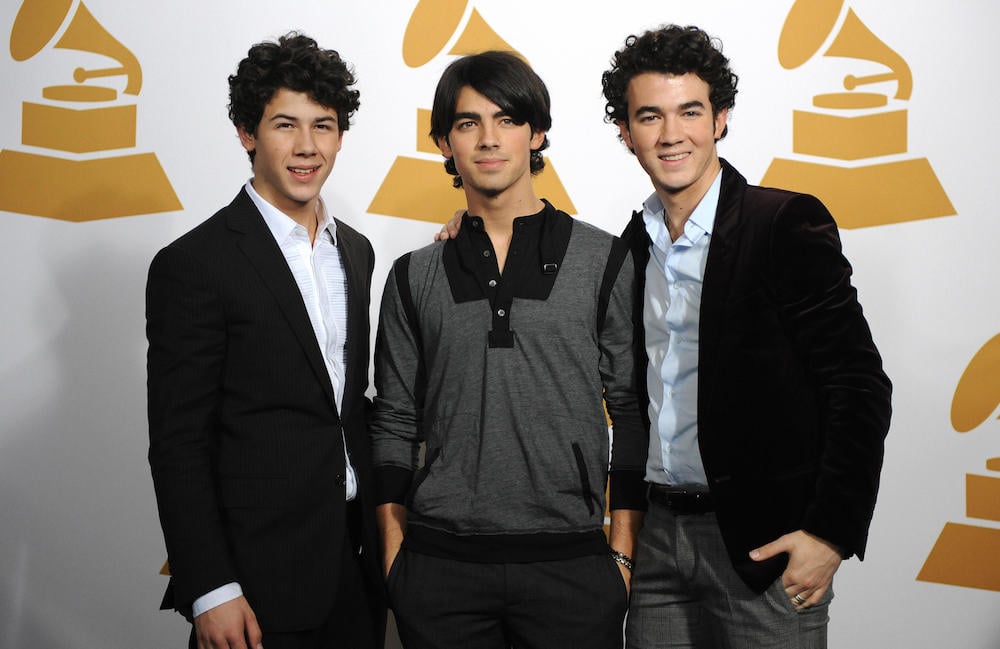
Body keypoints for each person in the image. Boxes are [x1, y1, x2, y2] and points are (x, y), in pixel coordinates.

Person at [600, 25, 893, 648]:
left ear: (721, 119)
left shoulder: (782, 223)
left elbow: (858, 384)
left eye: (690, 111)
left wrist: (831, 533)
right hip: (658, 540)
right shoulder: (630, 247)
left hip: (763, 548)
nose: (671, 133)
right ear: (625, 132)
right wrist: (471, 227)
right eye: (649, 116)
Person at [370, 50, 646, 649]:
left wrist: (621, 557)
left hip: (572, 565)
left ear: (536, 133)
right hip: (439, 567)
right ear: (444, 142)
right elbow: (393, 419)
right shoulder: (413, 274)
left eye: (507, 119)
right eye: (468, 123)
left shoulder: (604, 259)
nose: (489, 139)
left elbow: (631, 412)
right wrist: (395, 557)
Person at [146, 32, 383, 649]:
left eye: (323, 126)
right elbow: (179, 444)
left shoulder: (356, 252)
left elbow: (345, 405)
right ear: (247, 133)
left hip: (355, 569)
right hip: (253, 583)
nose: (307, 147)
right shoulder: (195, 264)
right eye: (285, 125)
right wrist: (210, 587)